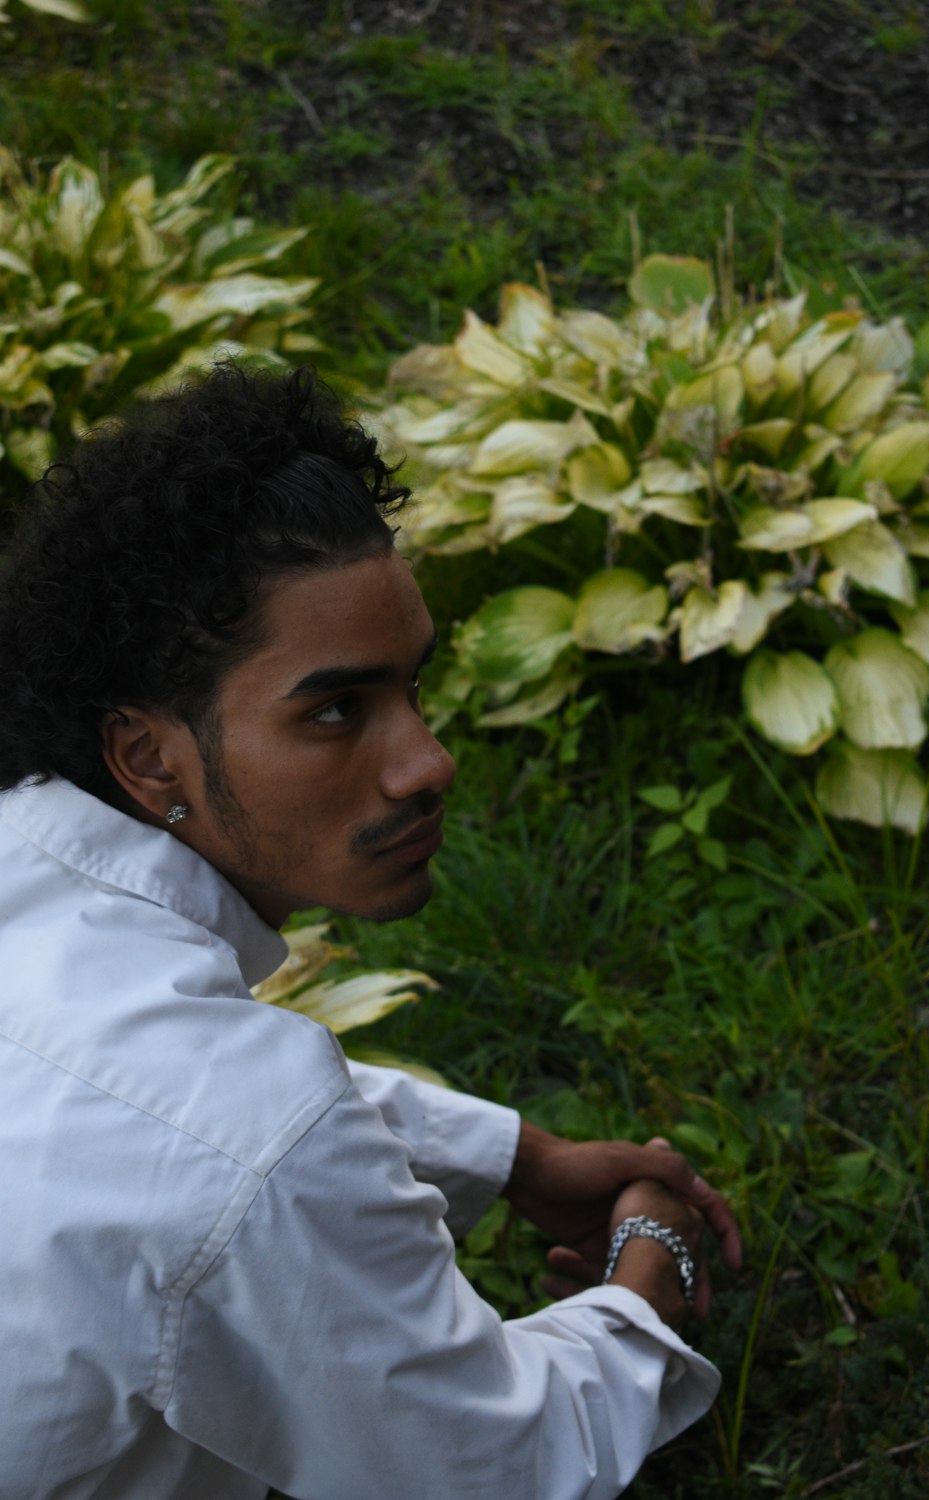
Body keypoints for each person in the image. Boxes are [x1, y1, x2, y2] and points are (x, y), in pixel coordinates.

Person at [0, 363, 741, 1500]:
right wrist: (652, 1268)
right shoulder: (247, 1145)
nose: (428, 762)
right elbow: (499, 1466)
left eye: (413, 688)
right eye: (335, 710)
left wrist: (514, 1160)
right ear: (150, 757)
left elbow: (143, 1117)